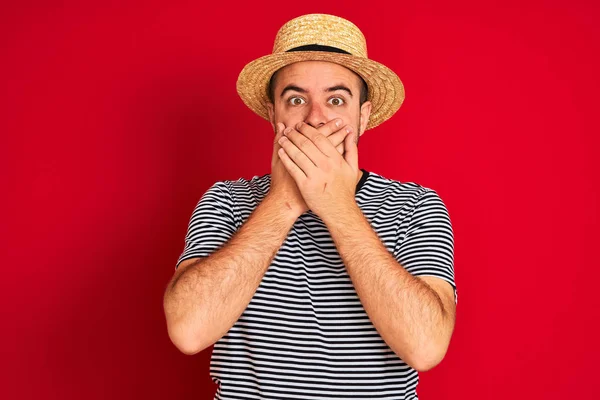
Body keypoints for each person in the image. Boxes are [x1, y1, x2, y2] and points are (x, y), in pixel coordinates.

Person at [163, 13, 457, 400]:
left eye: (336, 99)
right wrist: (283, 202)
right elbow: (188, 332)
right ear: (273, 113)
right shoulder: (225, 200)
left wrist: (337, 206)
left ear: (363, 116)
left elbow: (425, 347)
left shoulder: (416, 206)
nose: (316, 118)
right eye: (296, 99)